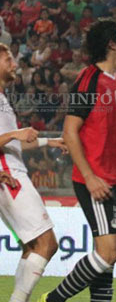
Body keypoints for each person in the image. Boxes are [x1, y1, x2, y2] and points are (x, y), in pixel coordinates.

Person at [40, 18, 116, 302]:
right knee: (109, 251)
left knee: (108, 253)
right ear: (112, 44)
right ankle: (54, 299)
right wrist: (90, 177)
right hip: (95, 180)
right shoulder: (89, 79)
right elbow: (70, 131)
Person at [0, 42, 67, 302]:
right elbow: (11, 138)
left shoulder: (4, 99)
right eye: (8, 60)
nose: (15, 65)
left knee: (32, 247)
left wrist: (47, 142)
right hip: (10, 176)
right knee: (47, 244)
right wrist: (17, 132)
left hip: (11, 172)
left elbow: (13, 142)